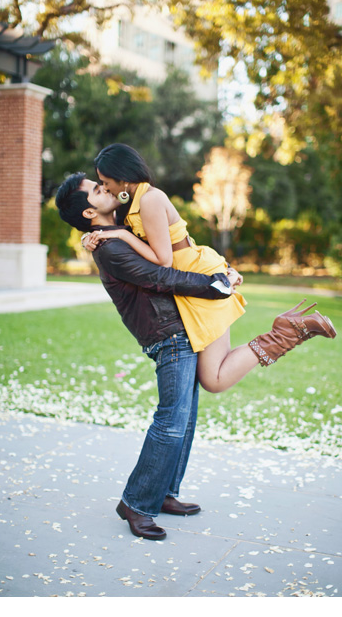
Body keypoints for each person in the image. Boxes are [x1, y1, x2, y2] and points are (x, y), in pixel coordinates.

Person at [55, 172, 238, 540]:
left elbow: (169, 247)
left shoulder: (117, 231)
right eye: (96, 189)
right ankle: (136, 503)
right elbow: (162, 276)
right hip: (166, 334)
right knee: (171, 420)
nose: (105, 187)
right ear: (90, 213)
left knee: (184, 419)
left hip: (178, 326)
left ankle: (164, 492)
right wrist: (214, 285)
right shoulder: (109, 247)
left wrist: (219, 272)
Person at [83, 144, 336, 392]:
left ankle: (286, 331)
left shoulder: (150, 199)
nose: (105, 188)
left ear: (123, 178)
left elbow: (163, 261)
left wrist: (121, 235)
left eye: (105, 181)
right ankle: (287, 330)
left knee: (213, 380)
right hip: (186, 282)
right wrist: (90, 237)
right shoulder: (132, 204)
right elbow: (112, 229)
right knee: (211, 378)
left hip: (196, 277)